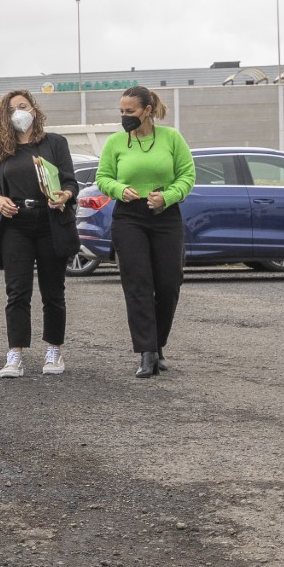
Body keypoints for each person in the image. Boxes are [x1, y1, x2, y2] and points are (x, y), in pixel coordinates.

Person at [95, 86, 196, 377]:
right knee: (137, 281)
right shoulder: (116, 142)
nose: (125, 117)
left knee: (168, 283)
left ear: (148, 111)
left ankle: (158, 344)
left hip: (165, 214)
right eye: (122, 112)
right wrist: (118, 189)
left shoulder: (171, 138)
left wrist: (169, 196)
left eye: (130, 112)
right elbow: (103, 177)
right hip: (129, 216)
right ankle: (146, 352)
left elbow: (187, 175)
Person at [0, 90, 79, 378]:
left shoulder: (55, 143)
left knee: (53, 291)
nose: (19, 113)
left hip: (50, 221)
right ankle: (15, 353)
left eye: (23, 106)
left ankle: (54, 350)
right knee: (17, 291)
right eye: (12, 109)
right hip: (17, 225)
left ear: (35, 110)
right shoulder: (2, 149)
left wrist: (64, 195)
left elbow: (71, 182)